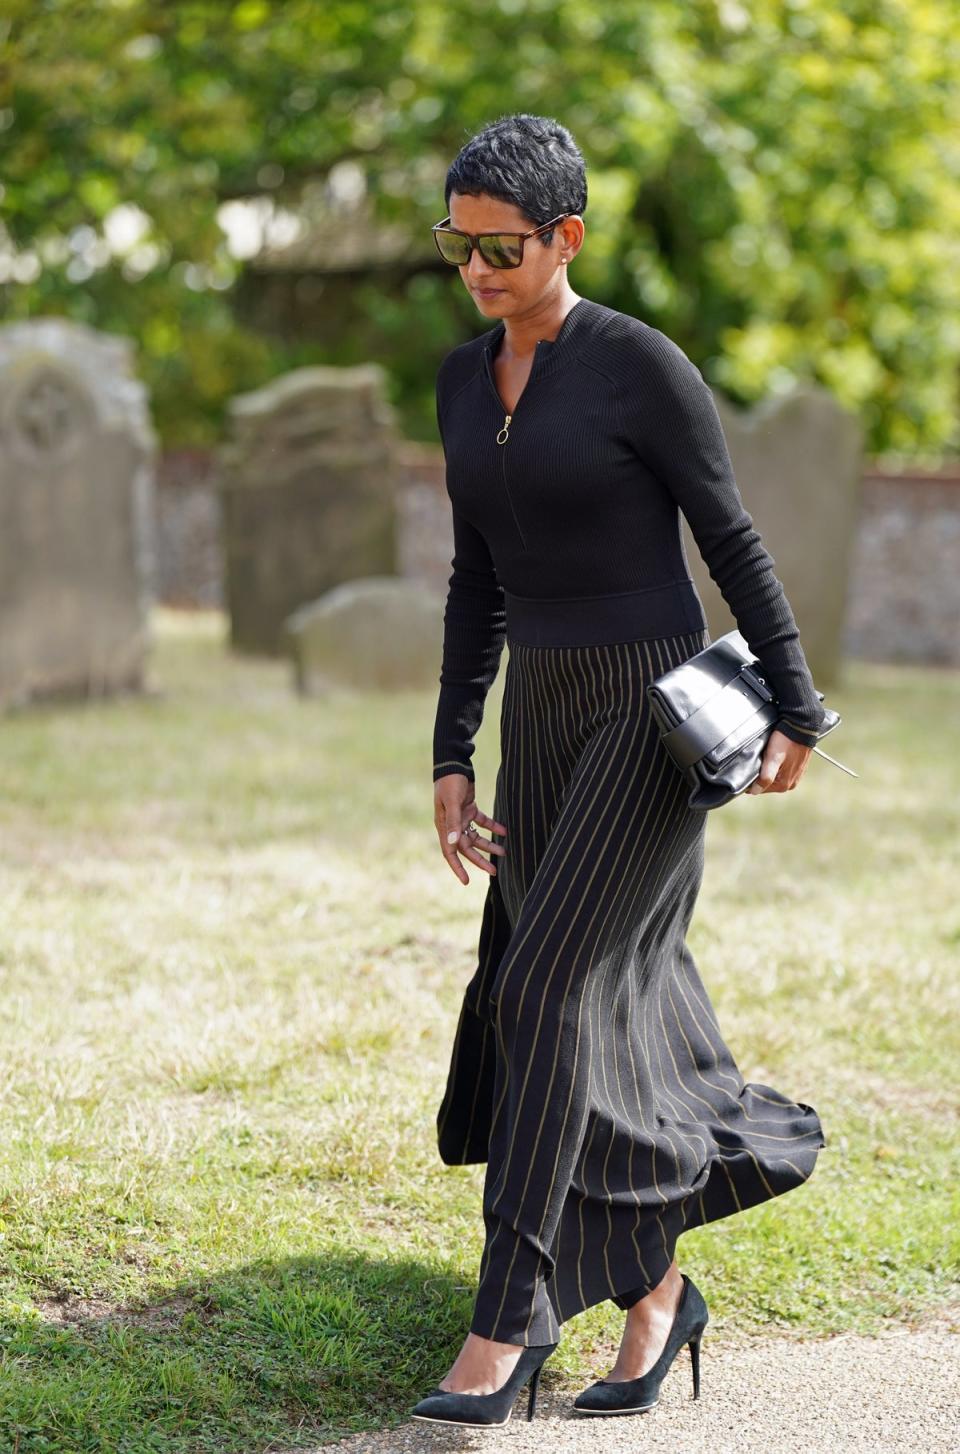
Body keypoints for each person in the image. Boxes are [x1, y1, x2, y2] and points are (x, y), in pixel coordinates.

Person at [412, 113, 828, 1428]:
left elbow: (732, 537)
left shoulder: (639, 367)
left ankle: (510, 1315)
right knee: (603, 999)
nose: (478, 268)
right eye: (459, 244)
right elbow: (476, 576)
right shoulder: (459, 381)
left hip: (650, 714)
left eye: (502, 246)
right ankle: (659, 1295)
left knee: (545, 988)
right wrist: (449, 749)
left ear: (565, 238)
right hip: (541, 709)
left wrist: (797, 703)